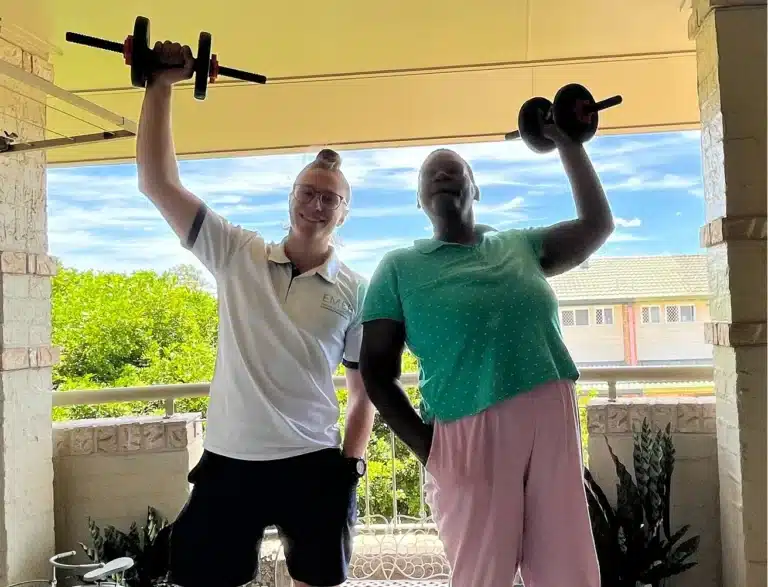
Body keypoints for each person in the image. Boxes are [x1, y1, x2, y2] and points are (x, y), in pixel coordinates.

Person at [137, 41, 374, 587]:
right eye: (308, 192)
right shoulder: (234, 252)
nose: (316, 204)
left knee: (318, 582)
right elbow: (157, 183)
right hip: (230, 460)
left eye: (330, 198)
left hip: (313, 462)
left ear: (345, 211)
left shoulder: (358, 292)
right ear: (291, 197)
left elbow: (362, 391)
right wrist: (161, 85)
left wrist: (349, 468)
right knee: (199, 576)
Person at [358, 125, 614, 587]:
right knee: (482, 576)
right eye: (430, 173)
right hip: (467, 427)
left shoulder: (519, 245)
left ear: (475, 187)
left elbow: (596, 226)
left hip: (550, 414)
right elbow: (376, 373)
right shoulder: (398, 267)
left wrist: (569, 145)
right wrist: (429, 450)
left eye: (454, 169)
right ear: (419, 200)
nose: (442, 174)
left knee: (569, 572)